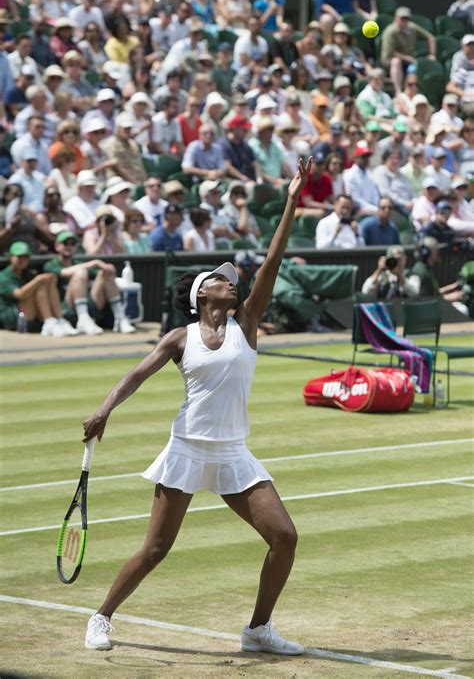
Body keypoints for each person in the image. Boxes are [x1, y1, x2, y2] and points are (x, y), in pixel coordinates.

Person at [82, 159, 312, 655]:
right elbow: (135, 376)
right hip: (187, 448)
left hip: (233, 452)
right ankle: (100, 617)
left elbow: (271, 262)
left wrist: (292, 200)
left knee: (285, 537)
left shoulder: (245, 323)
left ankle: (257, 630)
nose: (231, 283)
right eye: (220, 280)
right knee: (157, 549)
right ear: (201, 293)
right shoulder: (179, 337)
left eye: (232, 281)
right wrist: (104, 410)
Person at [44, 230, 136, 335]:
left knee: (106, 272)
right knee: (80, 272)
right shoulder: (50, 265)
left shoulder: (79, 263)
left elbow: (100, 272)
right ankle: (83, 320)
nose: (69, 247)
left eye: (72, 244)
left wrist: (108, 268)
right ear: (57, 246)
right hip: (66, 310)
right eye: (66, 244)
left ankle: (120, 318)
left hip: (91, 307)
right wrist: (95, 262)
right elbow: (65, 272)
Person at [0, 240, 77, 336]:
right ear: (11, 257)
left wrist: (48, 281)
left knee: (46, 283)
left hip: (27, 313)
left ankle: (59, 320)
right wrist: (38, 280)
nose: (22, 260)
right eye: (19, 257)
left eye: (25, 257)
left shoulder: (27, 273)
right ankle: (49, 321)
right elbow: (19, 294)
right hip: (12, 316)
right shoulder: (3, 276)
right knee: (39, 285)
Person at [380, 7, 436, 95]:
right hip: (389, 60)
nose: (404, 20)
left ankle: (414, 91)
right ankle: (398, 91)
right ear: (396, 18)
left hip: (408, 60)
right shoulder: (390, 31)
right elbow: (391, 52)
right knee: (396, 62)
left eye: (406, 18)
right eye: (402, 18)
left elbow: (430, 37)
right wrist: (407, 58)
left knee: (418, 65)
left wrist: (432, 54)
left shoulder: (412, 27)